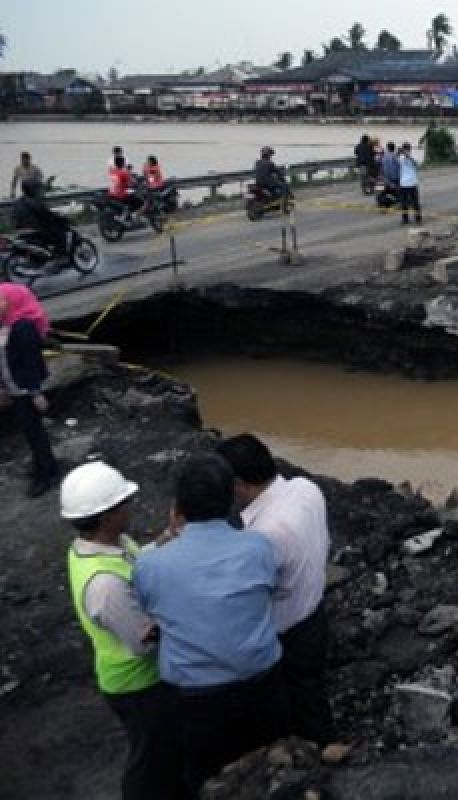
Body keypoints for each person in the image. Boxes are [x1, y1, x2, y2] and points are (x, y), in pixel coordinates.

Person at [133, 454, 286, 796]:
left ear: (177, 508)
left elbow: (149, 607)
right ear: (232, 499)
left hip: (196, 698)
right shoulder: (258, 546)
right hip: (262, 684)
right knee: (264, 768)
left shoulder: (152, 565)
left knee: (203, 773)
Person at [62, 462, 186, 800]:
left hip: (136, 680)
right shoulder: (105, 586)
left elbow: (138, 561)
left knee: (162, 751)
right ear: (106, 516)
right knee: (150, 759)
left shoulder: (103, 546)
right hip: (138, 684)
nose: (130, 507)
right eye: (123, 503)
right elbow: (146, 642)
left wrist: (169, 536)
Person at [216, 434, 334, 746]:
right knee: (312, 693)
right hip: (315, 612)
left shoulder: (264, 535)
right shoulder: (305, 488)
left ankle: (309, 760)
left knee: (293, 705)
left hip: (287, 633)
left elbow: (248, 595)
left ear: (240, 484)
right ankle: (324, 746)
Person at [0, 283, 58, 496]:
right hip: (14, 388)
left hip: (25, 390)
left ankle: (45, 474)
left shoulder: (23, 326)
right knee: (31, 431)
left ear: (13, 301)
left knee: (34, 432)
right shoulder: (5, 325)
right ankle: (46, 465)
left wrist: (35, 392)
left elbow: (31, 362)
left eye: (1, 300)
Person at [12, 178, 71, 255]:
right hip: (36, 230)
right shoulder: (34, 202)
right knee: (60, 233)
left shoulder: (19, 201)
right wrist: (60, 218)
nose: (38, 190)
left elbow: (14, 216)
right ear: (32, 189)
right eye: (36, 188)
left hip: (22, 230)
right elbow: (46, 216)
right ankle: (60, 256)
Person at [397, 143, 422, 225]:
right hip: (404, 183)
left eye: (407, 149)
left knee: (415, 203)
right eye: (405, 149)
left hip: (412, 182)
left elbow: (417, 165)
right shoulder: (400, 158)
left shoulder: (413, 157)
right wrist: (399, 153)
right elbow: (395, 160)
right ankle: (405, 219)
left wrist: (409, 157)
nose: (407, 151)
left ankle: (418, 219)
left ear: (410, 149)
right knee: (404, 203)